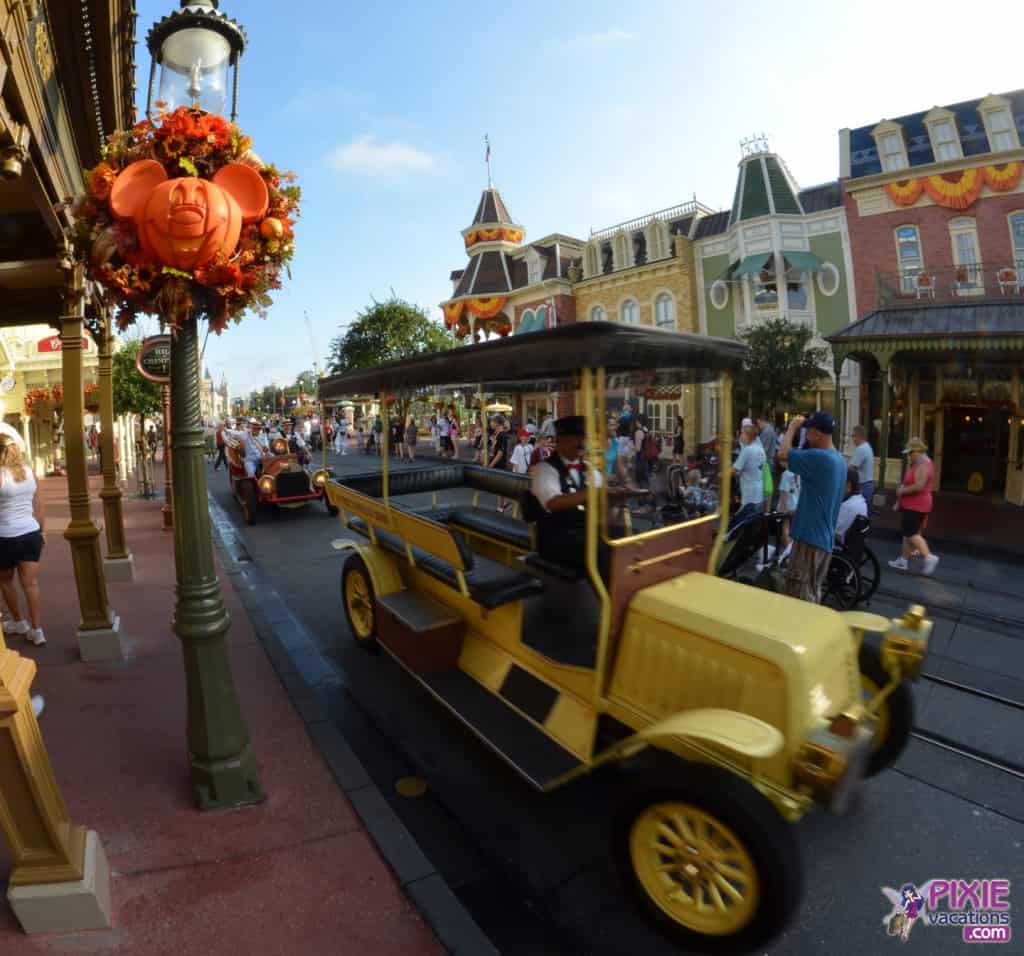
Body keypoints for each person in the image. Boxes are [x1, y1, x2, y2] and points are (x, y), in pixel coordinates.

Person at [529, 416, 633, 579]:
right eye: (575, 438)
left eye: (582, 438)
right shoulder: (544, 469)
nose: (581, 443)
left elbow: (601, 501)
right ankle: (610, 599)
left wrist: (616, 500)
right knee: (601, 549)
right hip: (555, 537)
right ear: (559, 441)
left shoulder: (589, 469)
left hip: (585, 530)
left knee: (624, 539)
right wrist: (594, 493)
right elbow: (553, 503)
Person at [777, 411, 847, 604]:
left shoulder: (819, 457)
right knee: (812, 592)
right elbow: (824, 496)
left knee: (799, 598)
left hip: (809, 539)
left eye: (807, 431)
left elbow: (782, 455)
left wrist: (792, 428)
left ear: (817, 434)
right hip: (824, 540)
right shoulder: (839, 460)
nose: (805, 435)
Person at [0, 436, 46, 647]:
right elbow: (40, 507)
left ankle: (19, 622)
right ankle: (37, 630)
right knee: (31, 583)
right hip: (30, 533)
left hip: (5, 536)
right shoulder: (29, 473)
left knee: (5, 581)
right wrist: (41, 531)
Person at [889, 437, 938, 575]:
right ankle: (903, 561)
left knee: (911, 533)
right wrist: (900, 500)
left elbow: (919, 486)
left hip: (917, 505)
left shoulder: (923, 465)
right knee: (908, 533)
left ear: (917, 451)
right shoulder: (918, 463)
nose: (909, 456)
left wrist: (901, 491)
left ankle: (929, 557)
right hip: (913, 504)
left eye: (910, 453)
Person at [730, 423, 766, 530]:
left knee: (743, 517)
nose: (740, 435)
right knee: (753, 517)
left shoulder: (747, 450)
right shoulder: (760, 448)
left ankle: (734, 537)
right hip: (758, 488)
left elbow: (734, 470)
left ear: (747, 435)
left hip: (749, 490)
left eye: (741, 433)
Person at [835, 467, 868, 543]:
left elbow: (835, 533)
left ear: (848, 485)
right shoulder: (860, 500)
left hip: (839, 546)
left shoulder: (848, 506)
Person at [488, 415, 512, 511]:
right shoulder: (496, 434)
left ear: (497, 423)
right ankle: (501, 504)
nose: (490, 423)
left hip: (499, 465)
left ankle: (500, 507)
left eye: (492, 421)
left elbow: (500, 453)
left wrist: (491, 465)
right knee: (498, 487)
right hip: (495, 463)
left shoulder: (502, 435)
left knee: (499, 486)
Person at [849, 425, 875, 505]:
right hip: (867, 485)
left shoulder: (861, 449)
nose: (852, 439)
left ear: (858, 436)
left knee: (859, 514)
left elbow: (851, 469)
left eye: (853, 436)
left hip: (862, 486)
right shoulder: (867, 446)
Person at [777, 467, 800, 550]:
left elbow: (784, 493)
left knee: (785, 526)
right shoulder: (801, 471)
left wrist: (784, 509)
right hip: (797, 504)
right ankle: (791, 549)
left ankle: (788, 551)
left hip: (788, 506)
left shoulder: (786, 474)